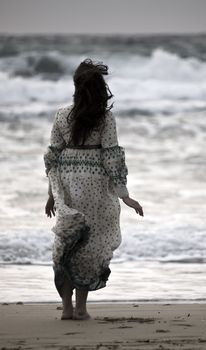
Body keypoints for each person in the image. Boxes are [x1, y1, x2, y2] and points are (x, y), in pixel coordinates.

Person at [44, 58, 143, 321]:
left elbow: (52, 157)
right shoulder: (105, 118)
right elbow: (112, 157)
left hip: (67, 185)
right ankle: (81, 309)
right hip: (96, 188)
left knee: (67, 244)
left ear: (76, 86)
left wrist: (52, 194)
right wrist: (125, 195)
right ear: (100, 88)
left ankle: (66, 309)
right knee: (90, 245)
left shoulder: (62, 114)